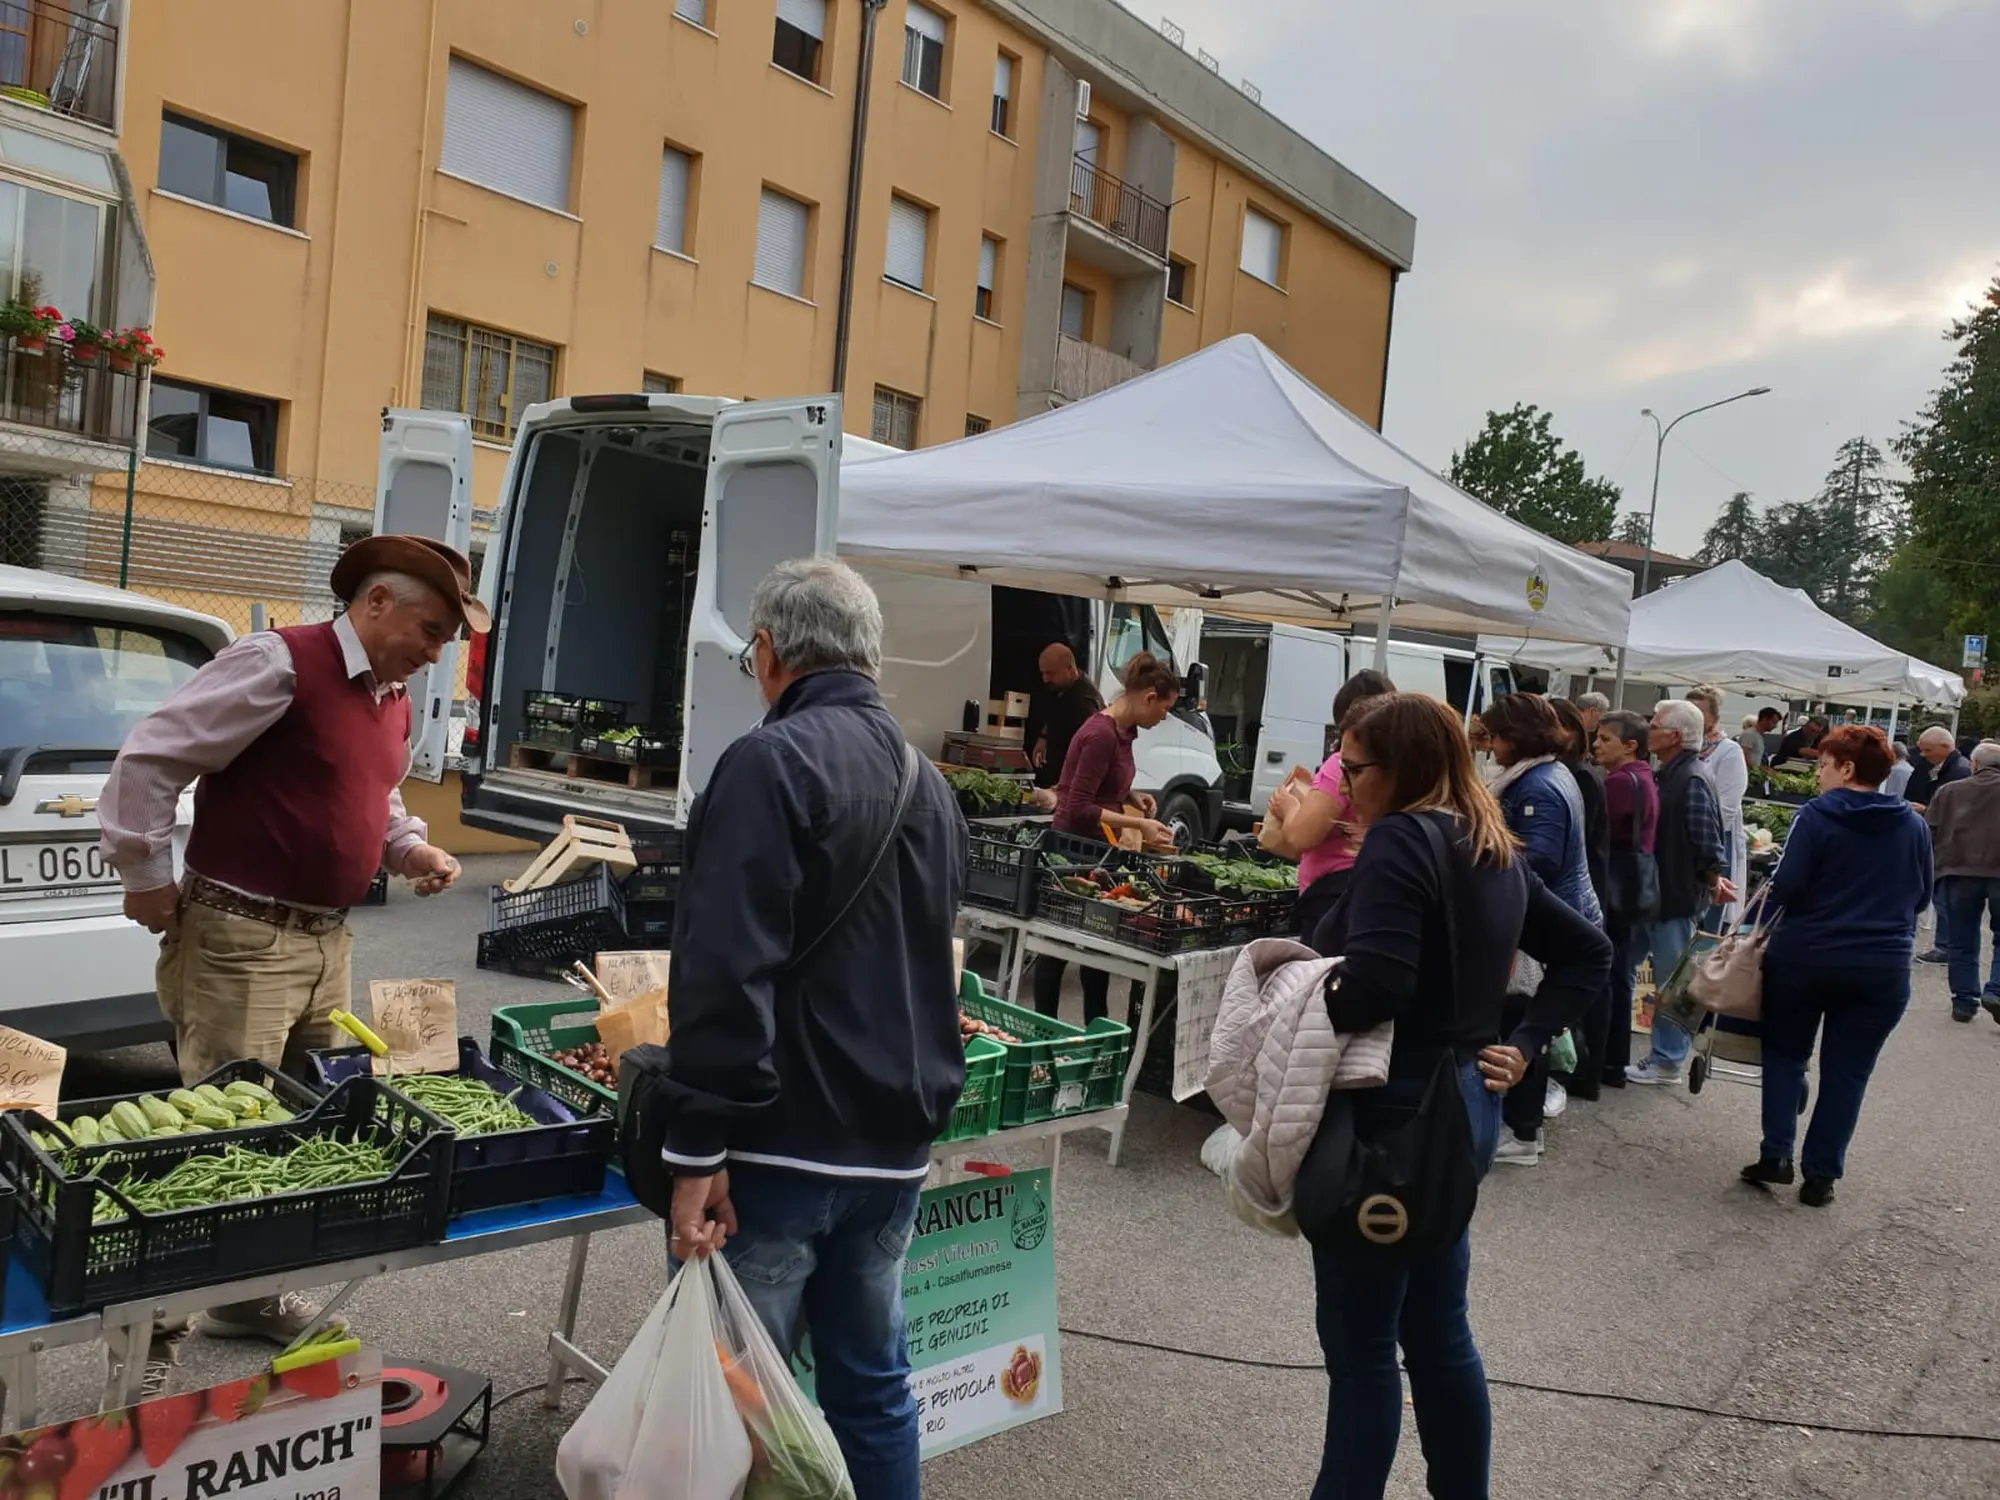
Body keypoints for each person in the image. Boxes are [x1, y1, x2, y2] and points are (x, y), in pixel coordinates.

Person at [98, 535, 475, 1360]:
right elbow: (154, 756)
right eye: (431, 629)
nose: (435, 651)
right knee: (223, 1123)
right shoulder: (280, 663)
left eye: (446, 638)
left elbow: (374, 795)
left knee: (300, 1125)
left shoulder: (391, 698)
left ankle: (245, 1299)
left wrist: (410, 848)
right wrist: (145, 872)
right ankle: (153, 1317)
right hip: (242, 935)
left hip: (324, 942)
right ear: (376, 603)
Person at [660, 558, 966, 1500]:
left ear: (766, 653)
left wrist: (698, 1145)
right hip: (895, 1150)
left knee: (742, 1402)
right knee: (872, 1385)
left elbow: (724, 966)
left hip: (783, 1149)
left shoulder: (768, 761)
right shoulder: (932, 785)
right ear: (868, 657)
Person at [1301, 693, 1610, 1498]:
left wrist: (1289, 1006)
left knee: (1363, 1345)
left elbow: (1378, 985)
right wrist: (1522, 1042)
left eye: (1354, 767)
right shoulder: (1489, 841)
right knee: (1437, 1331)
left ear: (1398, 769)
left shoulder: (1404, 839)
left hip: (1394, 1117)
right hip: (1462, 1107)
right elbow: (1587, 951)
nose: (1345, 783)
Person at [1744, 726, 1930, 1207]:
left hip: (1807, 955)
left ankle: (1776, 1154)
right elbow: (1923, 895)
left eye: (1824, 765)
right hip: (1882, 965)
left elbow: (1788, 887)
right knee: (1849, 1072)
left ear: (1847, 769)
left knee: (1786, 1054)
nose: (1819, 774)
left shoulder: (1815, 816)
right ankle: (1822, 1175)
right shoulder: (1912, 824)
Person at [1476, 694, 1601, 1164]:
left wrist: (1485, 866)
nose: (1491, 748)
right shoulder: (1550, 773)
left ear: (1517, 737)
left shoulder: (1538, 787)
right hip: (1552, 914)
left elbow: (1541, 858)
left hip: (1542, 921)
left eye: (1497, 737)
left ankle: (1521, 1129)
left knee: (1521, 1021)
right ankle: (1521, 1123)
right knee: (1525, 1020)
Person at [1032, 654, 1179, 1022]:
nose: (1164, 719)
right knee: (1055, 950)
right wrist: (1140, 827)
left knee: (1098, 953)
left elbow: (1102, 783)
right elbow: (1078, 804)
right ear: (1148, 697)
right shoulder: (1100, 733)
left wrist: (1132, 795)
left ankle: (1095, 1039)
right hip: (1072, 851)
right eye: (1164, 709)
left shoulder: (1124, 732)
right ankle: (1041, 1038)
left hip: (1099, 852)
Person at [1627, 699, 1735, 1086]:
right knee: (1631, 969)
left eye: (1654, 724)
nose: (1647, 729)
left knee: (1672, 983)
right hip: (1657, 894)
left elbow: (1705, 836)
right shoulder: (1675, 771)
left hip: (1672, 896)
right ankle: (1643, 1054)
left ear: (1673, 735)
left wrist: (1713, 877)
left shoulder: (1689, 776)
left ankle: (1668, 1060)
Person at [1259, 669, 1397, 939]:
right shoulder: (1391, 767)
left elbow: (1303, 836)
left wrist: (1288, 807)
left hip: (1330, 896)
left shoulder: (1341, 765)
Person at [1549, 697, 1610, 1100]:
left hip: (1578, 893)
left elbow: (1567, 846)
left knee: (1580, 988)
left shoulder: (1578, 777)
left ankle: (1581, 1071)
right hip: (1587, 890)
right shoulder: (1578, 774)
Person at [1594, 710, 1659, 1089]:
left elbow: (1603, 832)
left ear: (1631, 745)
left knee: (1614, 975)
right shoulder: (1642, 777)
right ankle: (1613, 1060)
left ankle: (1609, 1060)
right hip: (1634, 883)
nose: (1596, 744)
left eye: (1605, 739)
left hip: (1618, 883)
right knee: (1620, 974)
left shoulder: (1621, 781)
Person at [1924, 742, 2000, 1023]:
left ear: (1975, 765)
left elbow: (1928, 832)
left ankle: (1964, 1002)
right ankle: (1997, 991)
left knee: (1961, 939)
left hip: (1957, 872)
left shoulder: (1949, 791)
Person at [1909, 725, 1972, 964]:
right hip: (1946, 843)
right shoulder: (1952, 768)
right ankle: (1945, 945)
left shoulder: (1959, 772)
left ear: (1945, 748)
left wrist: (1926, 810)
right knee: (1942, 896)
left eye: (1927, 750)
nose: (1923, 755)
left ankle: (1945, 946)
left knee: (1944, 897)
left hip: (1950, 845)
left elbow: (1957, 813)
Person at [1687, 685, 1748, 927]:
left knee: (1709, 918)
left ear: (1714, 718)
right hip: (1689, 843)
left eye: (1699, 713)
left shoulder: (1728, 751)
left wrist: (1703, 843)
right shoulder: (1684, 749)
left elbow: (1728, 808)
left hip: (1715, 841)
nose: (1694, 718)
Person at [1023, 641, 1102, 791]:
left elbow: (1088, 753)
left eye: (1050, 673)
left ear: (1070, 669)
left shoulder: (1084, 702)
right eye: (1043, 673)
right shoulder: (1062, 686)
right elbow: (1054, 712)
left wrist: (1061, 788)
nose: (1045, 679)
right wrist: (1043, 737)